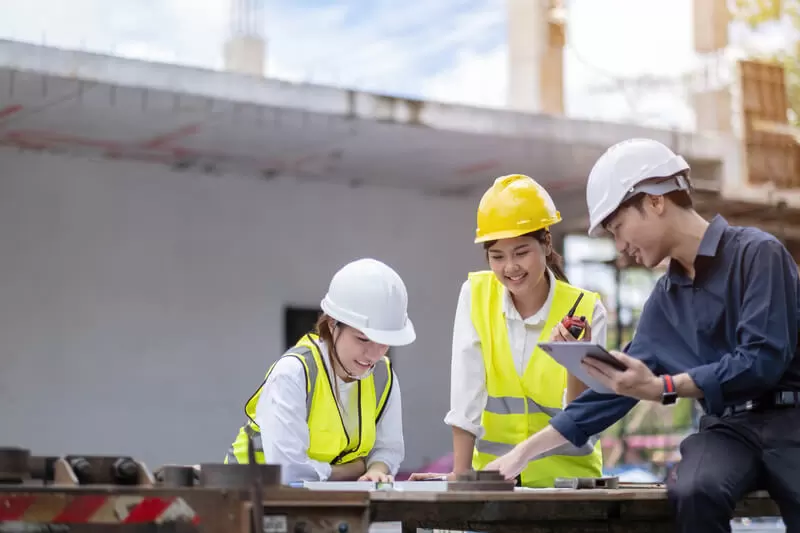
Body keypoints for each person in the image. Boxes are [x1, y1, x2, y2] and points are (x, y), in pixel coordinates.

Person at [484, 138, 800, 532]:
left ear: (654, 200)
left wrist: (663, 386)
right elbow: (613, 391)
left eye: (618, 228)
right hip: (727, 431)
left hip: (792, 421)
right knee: (693, 490)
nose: (620, 247)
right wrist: (520, 456)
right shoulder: (664, 302)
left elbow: (762, 359)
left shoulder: (759, 254)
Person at [411, 174, 609, 487]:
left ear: (545, 242)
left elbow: (583, 416)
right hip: (494, 484)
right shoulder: (475, 295)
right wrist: (461, 475)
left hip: (569, 486)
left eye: (521, 252)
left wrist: (575, 360)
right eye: (497, 256)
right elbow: (467, 390)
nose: (510, 268)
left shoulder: (586, 309)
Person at [224, 258, 416, 485]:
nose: (374, 354)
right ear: (333, 324)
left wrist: (375, 469)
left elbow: (388, 448)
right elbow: (289, 471)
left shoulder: (384, 378)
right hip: (251, 491)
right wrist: (350, 470)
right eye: (363, 339)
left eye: (384, 342)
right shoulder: (293, 373)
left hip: (321, 496)